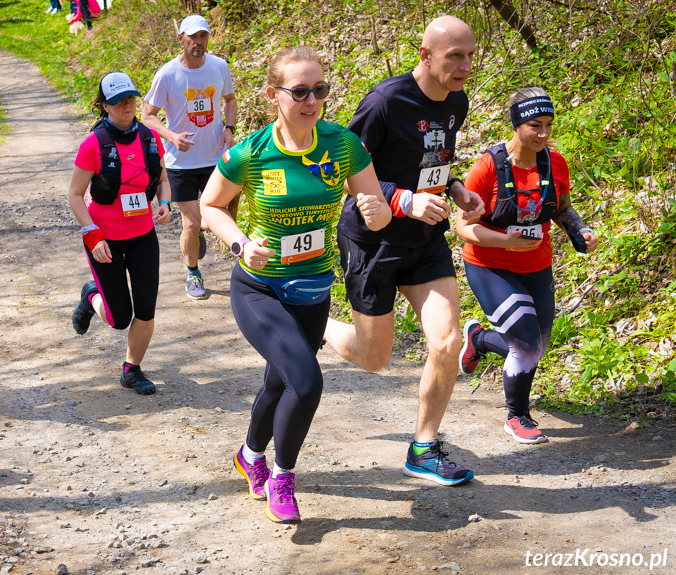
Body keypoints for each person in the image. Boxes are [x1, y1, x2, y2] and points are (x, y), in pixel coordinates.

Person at [201, 46, 390, 523]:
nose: (311, 100)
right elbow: (209, 207)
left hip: (313, 289)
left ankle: (249, 454)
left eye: (319, 91)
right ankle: (282, 478)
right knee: (305, 383)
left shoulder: (342, 144)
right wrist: (241, 244)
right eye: (300, 91)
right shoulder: (251, 152)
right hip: (259, 288)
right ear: (273, 95)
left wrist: (378, 211)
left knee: (280, 381)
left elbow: (376, 202)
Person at [323, 15, 484, 487]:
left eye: (470, 55)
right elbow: (345, 169)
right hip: (373, 239)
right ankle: (316, 326)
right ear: (425, 55)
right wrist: (403, 200)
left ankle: (423, 447)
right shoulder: (385, 102)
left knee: (447, 341)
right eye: (455, 55)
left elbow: (433, 161)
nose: (465, 66)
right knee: (375, 358)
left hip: (425, 241)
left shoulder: (457, 102)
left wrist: (454, 188)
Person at [456, 87, 598, 443]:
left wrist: (581, 231)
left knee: (535, 344)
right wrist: (507, 241)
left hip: (536, 265)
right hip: (490, 265)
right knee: (527, 345)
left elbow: (562, 208)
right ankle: (517, 415)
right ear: (517, 124)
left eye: (549, 125)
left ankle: (480, 339)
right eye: (535, 125)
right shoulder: (488, 166)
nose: (544, 134)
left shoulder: (555, 162)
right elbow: (462, 227)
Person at [68, 72, 172, 396]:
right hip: (105, 240)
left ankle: (132, 369)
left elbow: (163, 179)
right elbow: (74, 194)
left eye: (130, 97)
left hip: (143, 235)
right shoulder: (94, 144)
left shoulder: (150, 138)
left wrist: (165, 203)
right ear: (104, 106)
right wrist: (92, 233)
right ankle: (91, 294)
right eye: (118, 100)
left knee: (145, 309)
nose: (127, 104)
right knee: (119, 317)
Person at [142, 14, 237, 300]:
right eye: (192, 36)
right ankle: (193, 273)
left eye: (203, 36)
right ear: (180, 38)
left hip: (214, 158)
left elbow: (230, 100)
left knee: (227, 213)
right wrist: (172, 137)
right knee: (191, 223)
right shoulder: (167, 74)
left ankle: (201, 231)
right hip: (180, 163)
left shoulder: (219, 66)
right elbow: (147, 116)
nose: (198, 42)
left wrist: (229, 129)